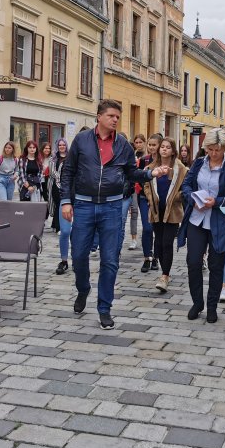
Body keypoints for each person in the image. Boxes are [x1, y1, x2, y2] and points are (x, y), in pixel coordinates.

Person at [60, 100, 169, 330]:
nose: (115, 120)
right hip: (84, 205)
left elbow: (132, 173)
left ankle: (104, 309)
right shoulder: (81, 140)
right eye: (111, 116)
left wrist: (151, 174)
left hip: (111, 208)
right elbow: (68, 172)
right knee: (78, 255)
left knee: (110, 261)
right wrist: (66, 201)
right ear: (99, 116)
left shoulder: (123, 145)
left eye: (118, 117)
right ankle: (83, 289)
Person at [179, 128, 225, 323]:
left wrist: (216, 202)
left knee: (216, 266)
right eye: (210, 149)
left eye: (218, 149)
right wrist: (193, 198)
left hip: (220, 221)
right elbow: (186, 186)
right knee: (193, 262)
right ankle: (197, 302)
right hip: (197, 220)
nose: (214, 153)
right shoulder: (199, 163)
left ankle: (212, 306)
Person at [143, 137, 188, 293]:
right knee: (160, 244)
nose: (164, 149)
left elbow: (186, 188)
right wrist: (150, 197)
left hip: (173, 212)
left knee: (168, 243)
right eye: (162, 146)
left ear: (173, 151)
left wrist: (177, 197)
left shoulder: (180, 169)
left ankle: (164, 275)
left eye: (168, 147)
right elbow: (146, 186)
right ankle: (165, 271)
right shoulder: (151, 167)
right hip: (157, 210)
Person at [137, 133, 162, 273]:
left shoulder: (164, 161)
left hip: (158, 199)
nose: (152, 147)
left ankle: (156, 258)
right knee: (147, 228)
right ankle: (147, 257)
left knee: (157, 229)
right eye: (150, 145)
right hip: (143, 198)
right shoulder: (143, 160)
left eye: (154, 145)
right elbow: (138, 177)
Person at [49, 138, 71, 275]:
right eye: (60, 145)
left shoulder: (73, 159)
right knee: (65, 231)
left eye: (64, 145)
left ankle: (79, 259)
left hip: (79, 197)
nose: (62, 147)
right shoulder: (55, 160)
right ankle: (64, 260)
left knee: (77, 232)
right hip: (64, 195)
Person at [127, 134, 147, 249]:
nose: (138, 145)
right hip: (134, 187)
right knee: (134, 211)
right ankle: (133, 239)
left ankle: (147, 234)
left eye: (140, 142)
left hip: (144, 187)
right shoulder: (132, 155)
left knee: (146, 213)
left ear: (144, 143)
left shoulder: (147, 156)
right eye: (136, 143)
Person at [40, 143, 52, 210]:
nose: (47, 150)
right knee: (38, 198)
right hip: (39, 179)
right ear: (42, 149)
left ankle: (46, 214)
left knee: (46, 197)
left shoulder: (52, 158)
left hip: (47, 180)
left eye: (49, 148)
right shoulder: (38, 157)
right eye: (46, 148)